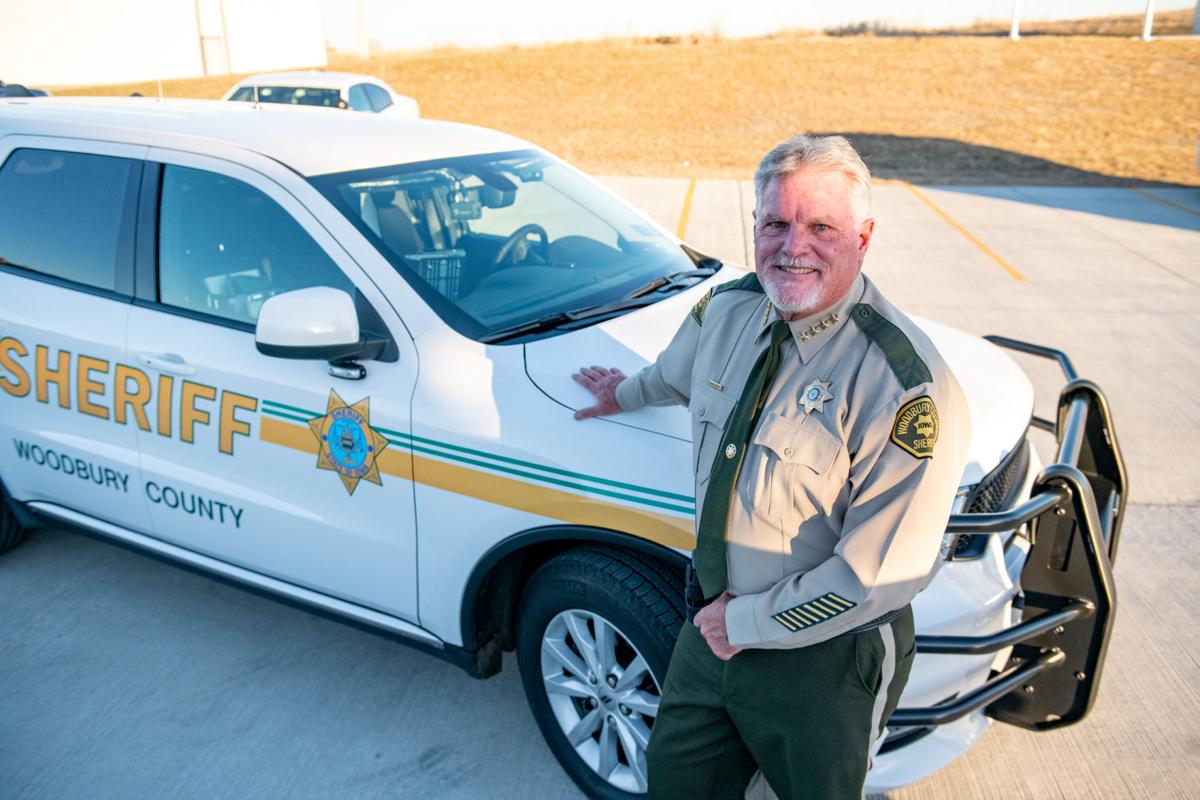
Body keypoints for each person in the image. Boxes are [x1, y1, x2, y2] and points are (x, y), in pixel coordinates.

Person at [571, 134, 970, 799]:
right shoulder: (727, 310)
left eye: (821, 227)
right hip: (710, 626)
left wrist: (745, 625)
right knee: (676, 783)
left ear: (863, 238)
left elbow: (874, 576)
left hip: (824, 661)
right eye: (776, 223)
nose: (793, 247)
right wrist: (622, 393)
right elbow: (675, 375)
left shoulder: (902, 385)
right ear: (754, 226)